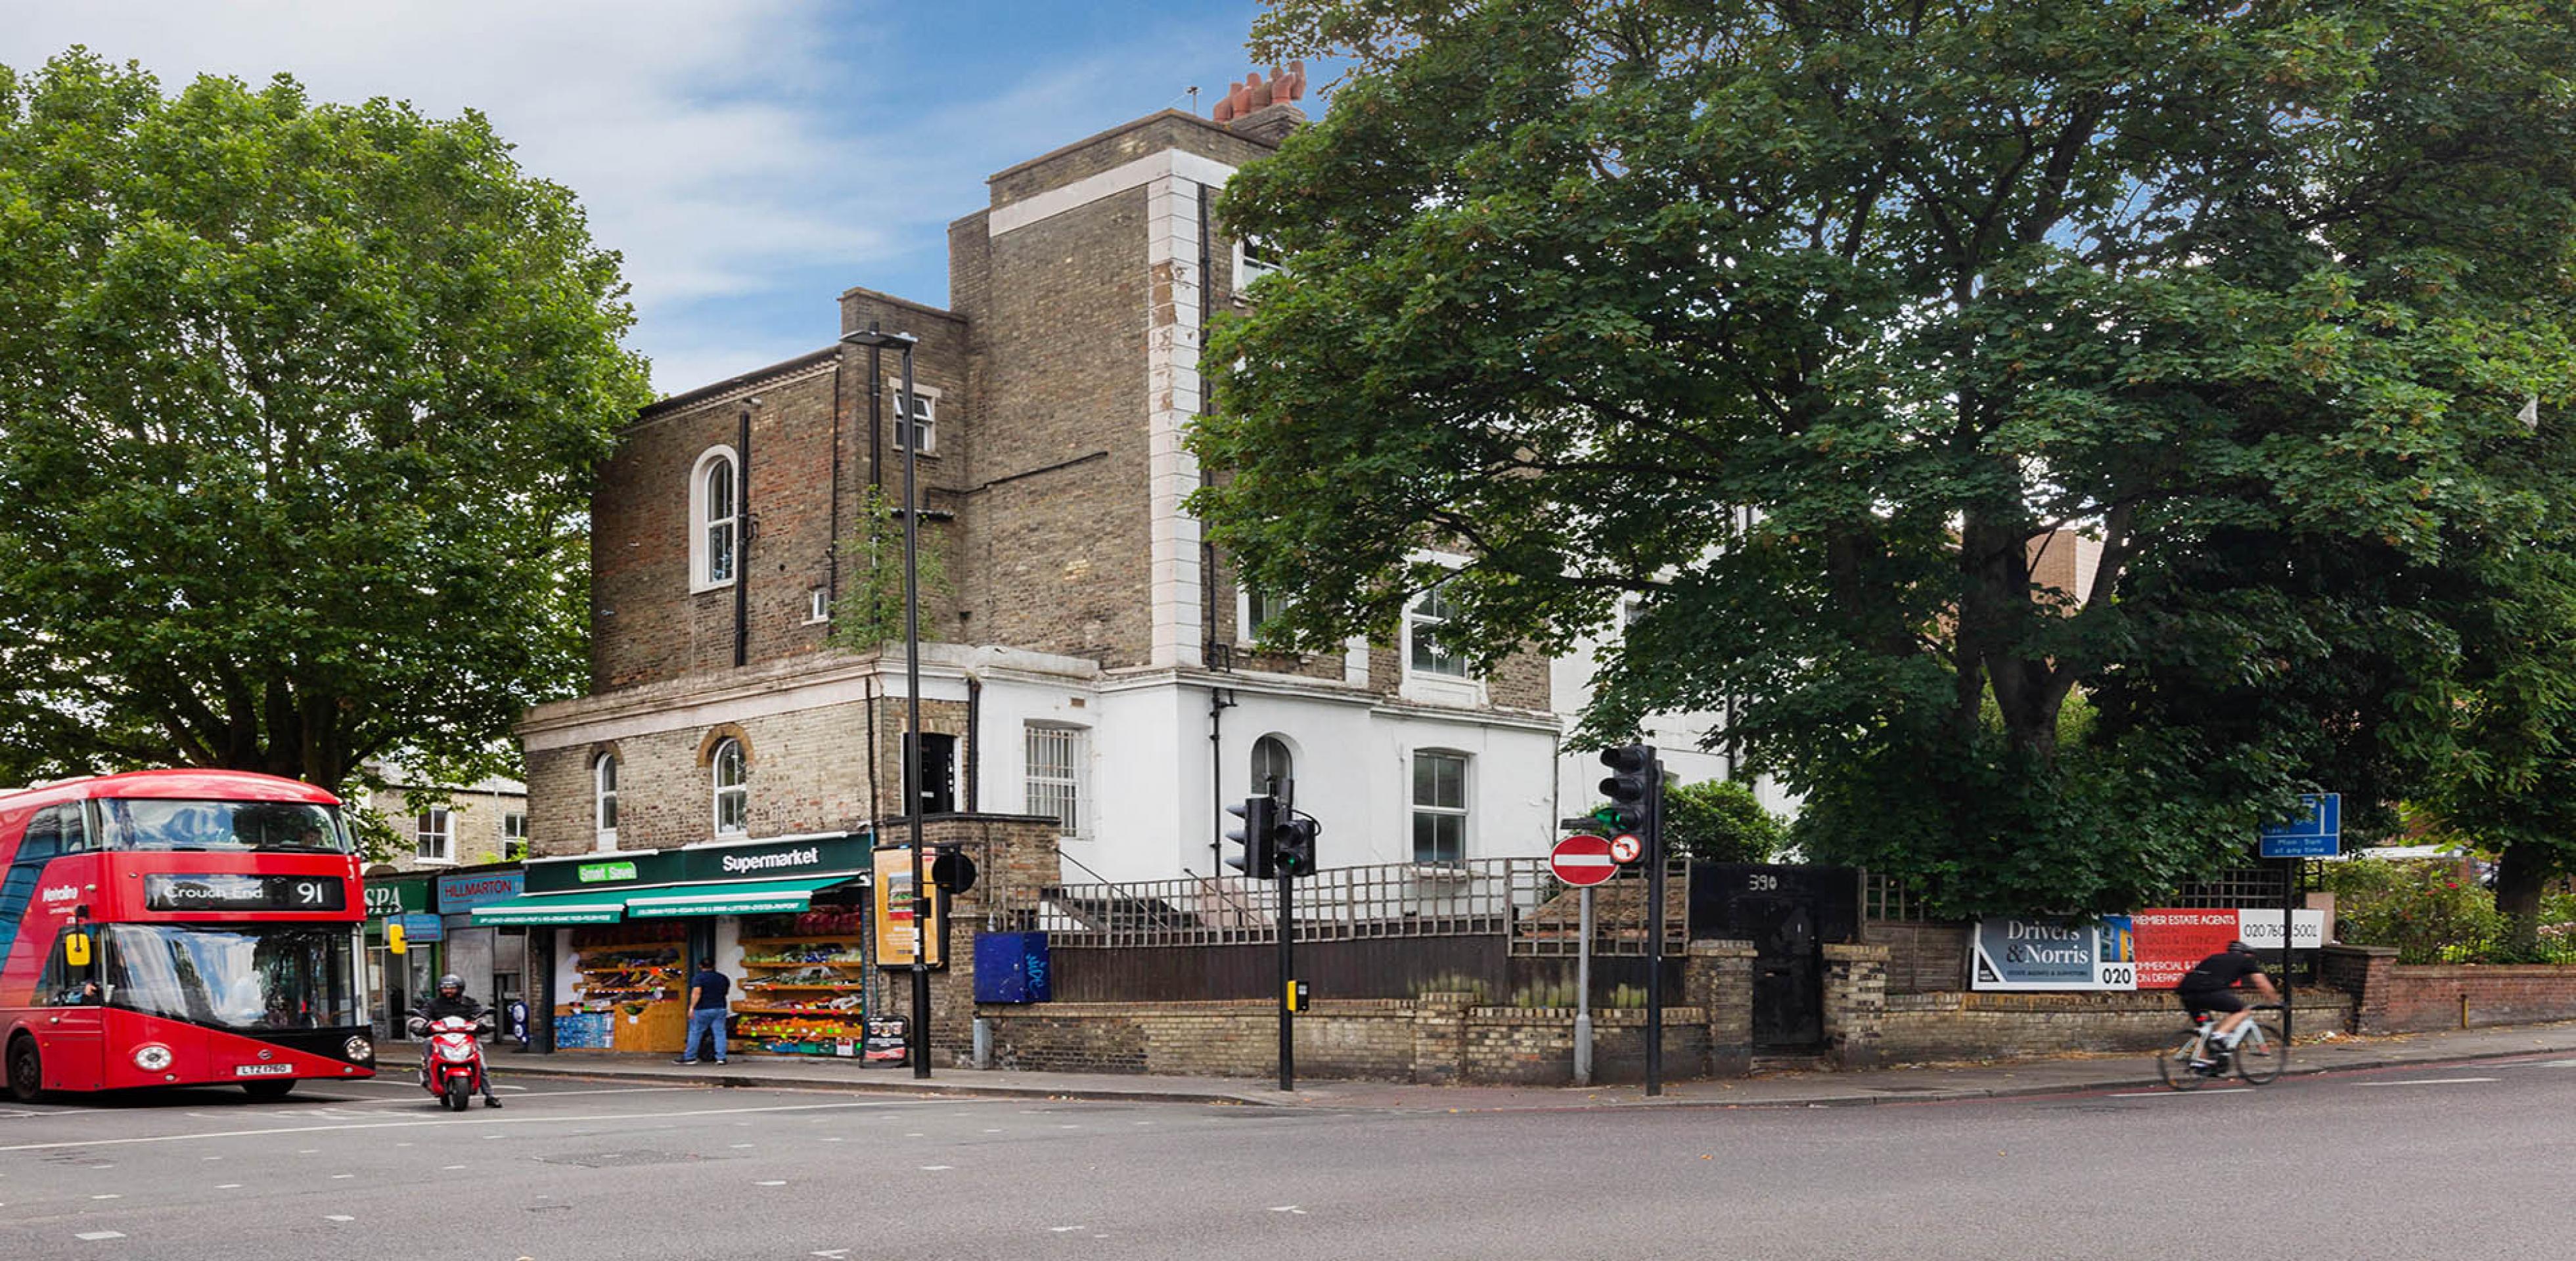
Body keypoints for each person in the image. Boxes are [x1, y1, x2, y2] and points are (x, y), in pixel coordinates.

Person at [2175, 940, 2279, 1070]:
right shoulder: (2246, 960)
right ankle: (2220, 1035)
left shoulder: (2214, 958)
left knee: (2205, 1028)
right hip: (2209, 991)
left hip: (2187, 994)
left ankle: (2201, 1062)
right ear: (2247, 954)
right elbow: (2262, 984)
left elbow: (2187, 976)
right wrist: (2275, 1001)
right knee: (2242, 1011)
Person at [411, 973, 503, 1107]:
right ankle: (427, 1073)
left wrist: (484, 1023)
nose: (448, 991)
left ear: (459, 989)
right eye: (445, 988)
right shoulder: (433, 1004)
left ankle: (490, 1096)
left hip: (465, 1037)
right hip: (440, 1037)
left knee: (481, 1065)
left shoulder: (469, 1002)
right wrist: (418, 1024)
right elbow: (423, 1016)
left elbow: (479, 1015)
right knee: (428, 1042)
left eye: (452, 988)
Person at [677, 956, 731, 1065]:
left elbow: (697, 993)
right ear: (714, 965)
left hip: (702, 1009)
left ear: (700, 966)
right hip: (720, 1008)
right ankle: (721, 1058)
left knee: (695, 1033)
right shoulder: (723, 978)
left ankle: (690, 1057)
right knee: (720, 1033)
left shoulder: (699, 978)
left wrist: (692, 1007)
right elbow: (726, 992)